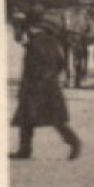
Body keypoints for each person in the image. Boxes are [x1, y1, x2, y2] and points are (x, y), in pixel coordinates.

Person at [10, 9, 82, 161]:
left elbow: (36, 64)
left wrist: (38, 80)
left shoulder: (38, 41)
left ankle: (74, 142)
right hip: (46, 84)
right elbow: (60, 63)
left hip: (39, 86)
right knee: (31, 118)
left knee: (42, 118)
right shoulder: (47, 39)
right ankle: (25, 149)